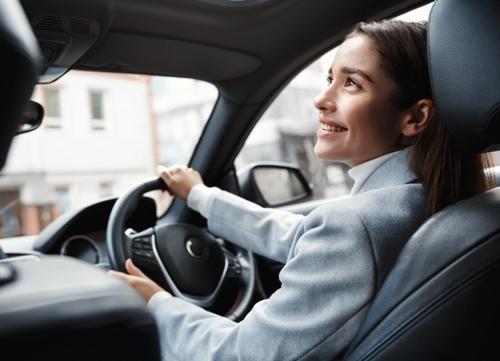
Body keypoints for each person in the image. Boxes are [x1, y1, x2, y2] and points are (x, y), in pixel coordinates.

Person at [110, 20, 493, 360]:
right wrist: (201, 196)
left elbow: (241, 354)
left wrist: (155, 303)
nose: (321, 100)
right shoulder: (450, 198)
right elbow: (298, 235)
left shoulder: (354, 226)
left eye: (352, 84)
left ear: (415, 117)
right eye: (330, 79)